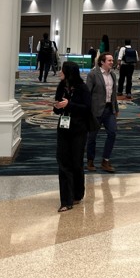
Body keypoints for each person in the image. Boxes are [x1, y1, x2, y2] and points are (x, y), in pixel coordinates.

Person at [52, 61, 93, 212]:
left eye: (62, 70)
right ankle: (66, 200)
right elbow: (57, 107)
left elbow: (87, 109)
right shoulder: (61, 86)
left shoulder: (82, 88)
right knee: (63, 162)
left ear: (69, 72)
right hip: (63, 128)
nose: (59, 73)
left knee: (76, 163)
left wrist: (69, 105)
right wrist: (57, 107)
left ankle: (77, 193)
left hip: (79, 129)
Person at [85, 52, 119, 173]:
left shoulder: (113, 75)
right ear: (102, 62)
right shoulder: (93, 74)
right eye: (109, 60)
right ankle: (90, 160)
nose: (112, 62)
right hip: (95, 111)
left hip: (109, 109)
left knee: (112, 133)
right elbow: (87, 93)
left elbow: (113, 94)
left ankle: (105, 160)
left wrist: (116, 109)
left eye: (112, 60)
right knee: (92, 137)